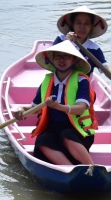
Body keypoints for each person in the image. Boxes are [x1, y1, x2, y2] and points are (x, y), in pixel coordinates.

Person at [13, 39, 97, 168]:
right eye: (57, 57)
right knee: (43, 139)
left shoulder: (81, 81)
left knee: (67, 135)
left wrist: (59, 107)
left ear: (74, 60)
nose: (61, 60)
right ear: (51, 60)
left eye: (66, 57)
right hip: (54, 129)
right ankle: (69, 169)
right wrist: (21, 109)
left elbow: (80, 108)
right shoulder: (47, 81)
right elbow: (35, 108)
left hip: (78, 131)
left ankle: (91, 168)